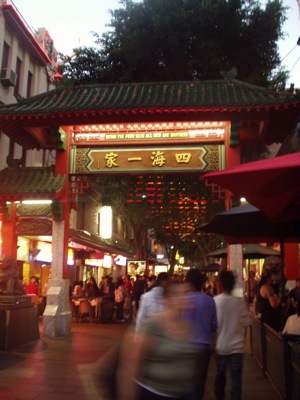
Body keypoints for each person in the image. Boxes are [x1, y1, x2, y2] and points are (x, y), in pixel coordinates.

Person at [117, 282, 197, 400]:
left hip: (180, 393)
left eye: (189, 294)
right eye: (184, 294)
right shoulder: (154, 324)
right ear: (170, 299)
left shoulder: (187, 327)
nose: (190, 297)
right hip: (153, 393)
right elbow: (132, 362)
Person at [214, 270, 251, 400]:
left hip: (220, 347)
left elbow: (213, 326)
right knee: (236, 382)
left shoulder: (215, 301)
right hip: (237, 347)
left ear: (220, 284)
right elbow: (247, 322)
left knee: (220, 380)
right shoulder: (239, 302)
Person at [182, 268, 218, 400]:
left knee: (185, 379)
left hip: (184, 345)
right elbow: (213, 327)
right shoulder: (209, 301)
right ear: (202, 284)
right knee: (200, 381)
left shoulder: (180, 301)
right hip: (203, 346)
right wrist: (214, 345)